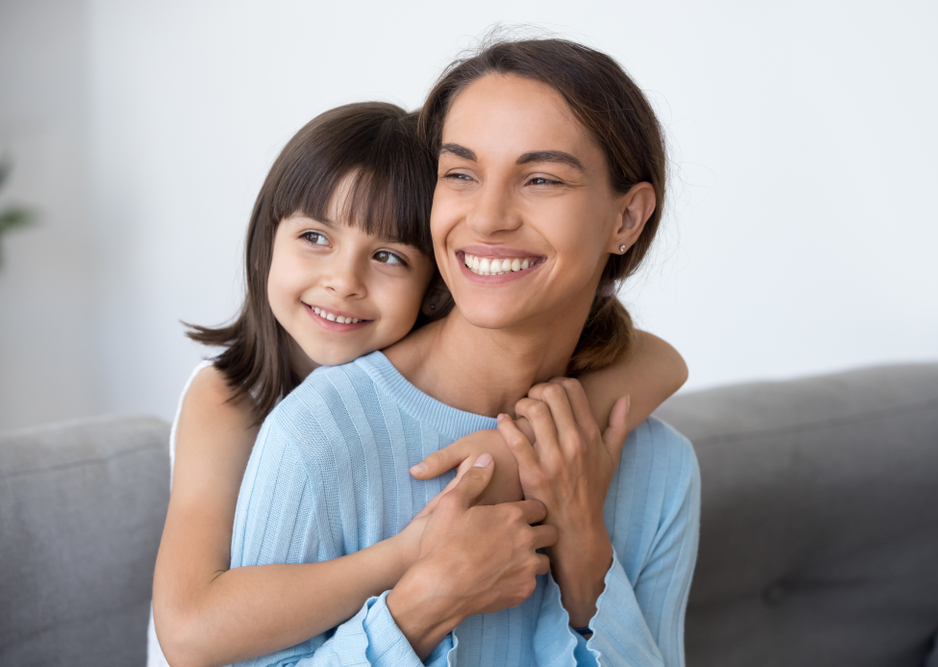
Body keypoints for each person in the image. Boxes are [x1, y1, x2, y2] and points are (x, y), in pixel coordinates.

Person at [148, 102, 688, 666]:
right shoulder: (232, 398)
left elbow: (661, 361)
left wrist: (515, 447)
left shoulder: (427, 373)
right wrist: (408, 556)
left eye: (387, 256)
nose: (342, 282)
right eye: (314, 237)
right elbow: (189, 632)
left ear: (438, 284)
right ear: (267, 241)